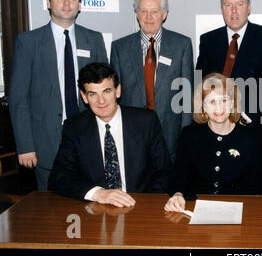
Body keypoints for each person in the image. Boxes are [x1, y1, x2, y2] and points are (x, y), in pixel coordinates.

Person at [8, 0, 108, 190]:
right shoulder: (28, 42)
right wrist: (25, 145)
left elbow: (105, 92)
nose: (66, 4)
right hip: (45, 141)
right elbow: (18, 98)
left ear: (79, 5)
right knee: (51, 207)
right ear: (48, 2)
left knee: (91, 201)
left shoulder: (94, 39)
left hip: (88, 135)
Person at [48, 63, 171, 207]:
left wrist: (144, 204)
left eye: (106, 91)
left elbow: (164, 171)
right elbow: (58, 178)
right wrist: (98, 193)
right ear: (84, 97)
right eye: (93, 94)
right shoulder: (75, 128)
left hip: (140, 205)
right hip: (96, 208)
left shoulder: (146, 121)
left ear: (117, 91)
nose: (101, 101)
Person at [196, 0, 262, 194]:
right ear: (221, 9)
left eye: (239, 4)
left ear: (249, 7)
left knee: (254, 193)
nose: (234, 11)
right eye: (228, 5)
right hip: (214, 127)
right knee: (216, 188)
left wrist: (240, 115)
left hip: (252, 128)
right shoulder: (208, 40)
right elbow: (200, 84)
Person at [110, 0, 194, 164]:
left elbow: (186, 97)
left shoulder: (182, 45)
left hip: (170, 137)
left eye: (154, 11)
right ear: (137, 14)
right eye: (143, 11)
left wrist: (186, 138)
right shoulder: (119, 48)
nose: (148, 17)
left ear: (164, 14)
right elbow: (113, 98)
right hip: (131, 136)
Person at [164, 73, 262, 212]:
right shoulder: (190, 135)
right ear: (203, 107)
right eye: (211, 102)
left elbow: (261, 188)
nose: (219, 108)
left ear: (233, 103)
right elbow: (178, 177)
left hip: (242, 210)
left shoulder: (252, 138)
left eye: (224, 100)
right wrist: (177, 194)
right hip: (195, 208)